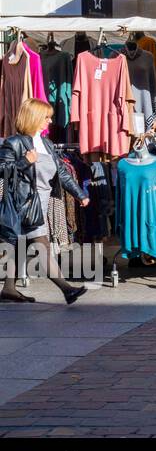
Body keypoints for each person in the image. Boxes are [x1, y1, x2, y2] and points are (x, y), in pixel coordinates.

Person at [0, 98, 91, 304]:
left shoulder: (47, 144)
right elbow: (2, 171)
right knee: (42, 246)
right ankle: (67, 289)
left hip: (41, 203)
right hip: (23, 205)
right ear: (34, 117)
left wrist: (80, 194)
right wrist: (25, 162)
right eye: (46, 117)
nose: (50, 121)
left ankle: (8, 289)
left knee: (20, 248)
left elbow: (61, 171)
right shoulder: (13, 143)